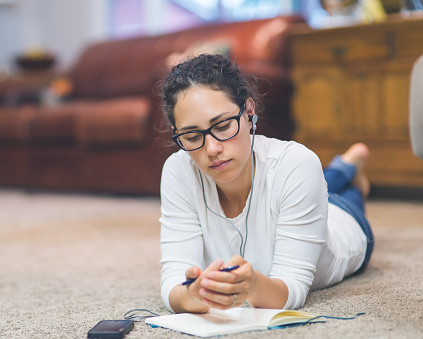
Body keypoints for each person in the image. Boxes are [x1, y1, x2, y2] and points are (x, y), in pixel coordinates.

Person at [158, 54, 374, 313]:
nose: (212, 149)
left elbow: (293, 289)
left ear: (249, 111)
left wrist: (253, 286)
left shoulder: (297, 163)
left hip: (345, 223)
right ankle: (346, 165)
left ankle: (351, 172)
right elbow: (174, 281)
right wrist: (190, 296)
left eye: (224, 125)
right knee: (307, 184)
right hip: (297, 192)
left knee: (345, 194)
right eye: (192, 136)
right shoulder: (178, 169)